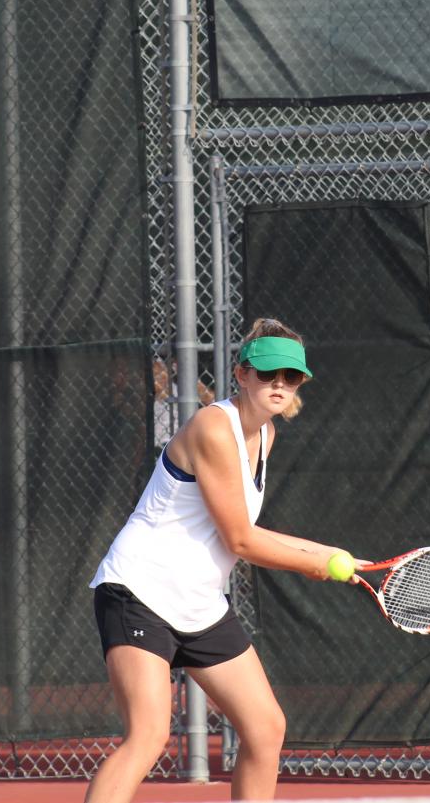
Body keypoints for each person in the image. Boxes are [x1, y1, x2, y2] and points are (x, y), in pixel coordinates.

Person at [85, 318, 361, 803]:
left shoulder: (267, 437)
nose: (279, 384)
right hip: (140, 591)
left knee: (266, 728)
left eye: (290, 377)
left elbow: (245, 528)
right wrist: (311, 564)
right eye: (268, 373)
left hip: (198, 603)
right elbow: (240, 540)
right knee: (148, 736)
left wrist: (330, 554)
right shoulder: (214, 427)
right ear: (242, 375)